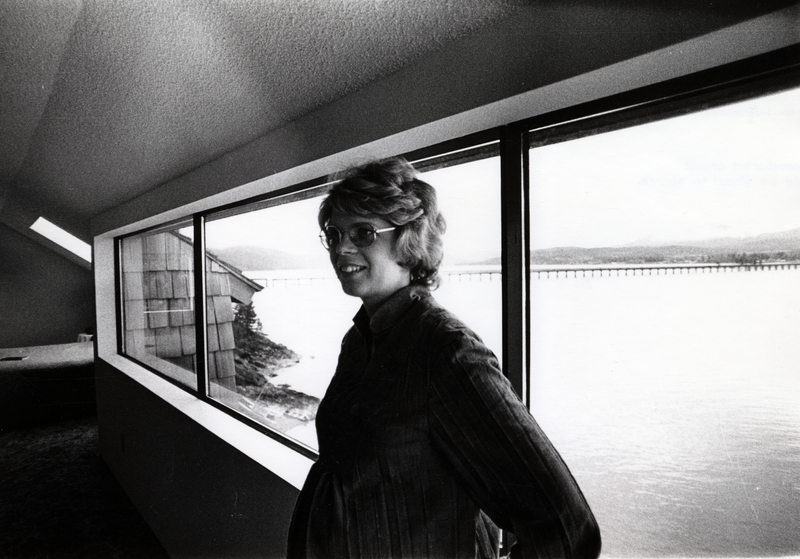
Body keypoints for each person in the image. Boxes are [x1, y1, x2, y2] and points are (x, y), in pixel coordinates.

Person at [287, 157, 600, 559]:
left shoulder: (445, 349)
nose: (341, 247)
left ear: (408, 240)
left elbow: (566, 529)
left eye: (363, 233)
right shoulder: (361, 338)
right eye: (334, 234)